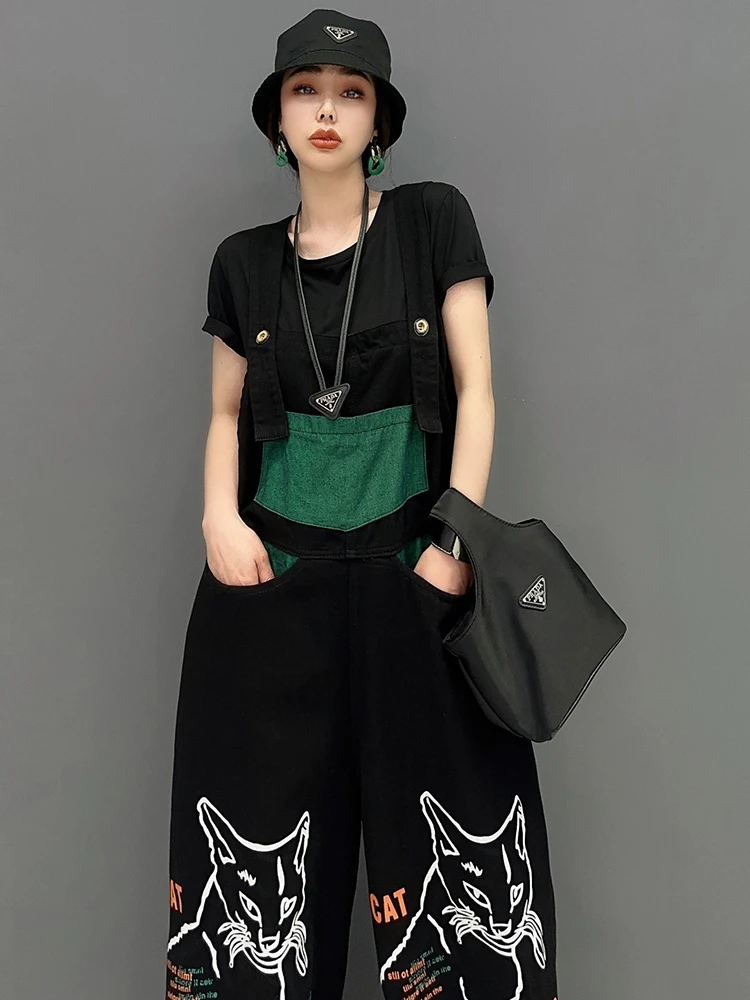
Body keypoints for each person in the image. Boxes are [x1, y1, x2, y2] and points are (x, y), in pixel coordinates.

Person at [165, 9, 558, 1000]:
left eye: (351, 92)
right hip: (272, 584)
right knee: (254, 853)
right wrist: (219, 520)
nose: (327, 110)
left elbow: (479, 391)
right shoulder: (242, 261)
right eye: (305, 91)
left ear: (381, 120)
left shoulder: (433, 221)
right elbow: (223, 415)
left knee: (453, 853)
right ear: (277, 119)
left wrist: (452, 542)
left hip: (414, 579)